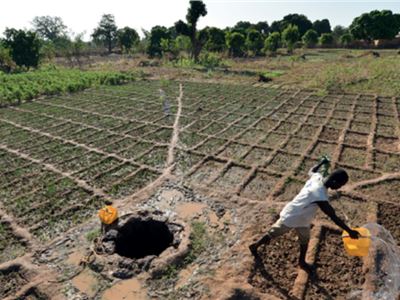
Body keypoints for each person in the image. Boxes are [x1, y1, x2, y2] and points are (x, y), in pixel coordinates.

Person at [249, 158, 360, 272]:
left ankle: (302, 261)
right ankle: (255, 246)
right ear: (334, 182)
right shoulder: (319, 194)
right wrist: (349, 231)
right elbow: (333, 217)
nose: (339, 188)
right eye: (340, 185)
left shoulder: (317, 178)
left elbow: (311, 171)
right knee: (273, 233)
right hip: (292, 215)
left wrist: (321, 163)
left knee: (305, 240)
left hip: (303, 219)